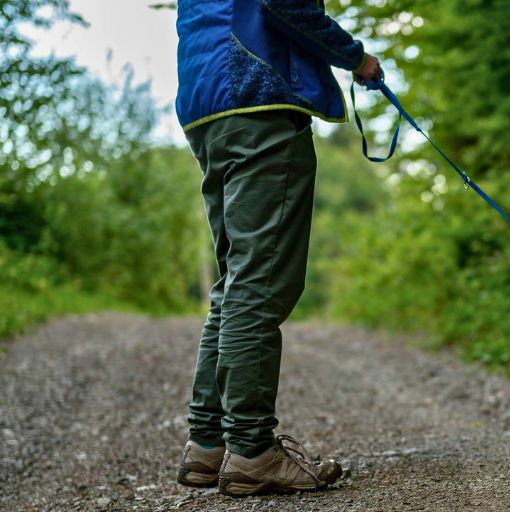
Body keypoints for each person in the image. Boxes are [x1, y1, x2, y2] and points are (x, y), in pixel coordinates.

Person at [173, 0, 381, 496]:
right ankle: (251, 451)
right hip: (257, 94)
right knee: (260, 282)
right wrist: (356, 58)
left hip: (206, 102)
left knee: (236, 280)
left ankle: (209, 445)